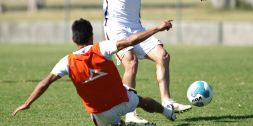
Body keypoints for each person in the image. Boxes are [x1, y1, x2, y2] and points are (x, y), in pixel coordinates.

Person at [40, 0, 207, 124]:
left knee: (163, 56)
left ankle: (167, 102)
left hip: (136, 27)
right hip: (115, 30)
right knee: (131, 62)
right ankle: (130, 113)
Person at [12, 18, 176, 126]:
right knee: (142, 101)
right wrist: (157, 28)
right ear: (91, 36)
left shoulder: (66, 62)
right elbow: (130, 40)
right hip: (123, 101)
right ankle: (168, 113)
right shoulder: (101, 47)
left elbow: (44, 83)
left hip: (100, 114)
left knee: (99, 118)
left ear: (74, 40)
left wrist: (27, 103)